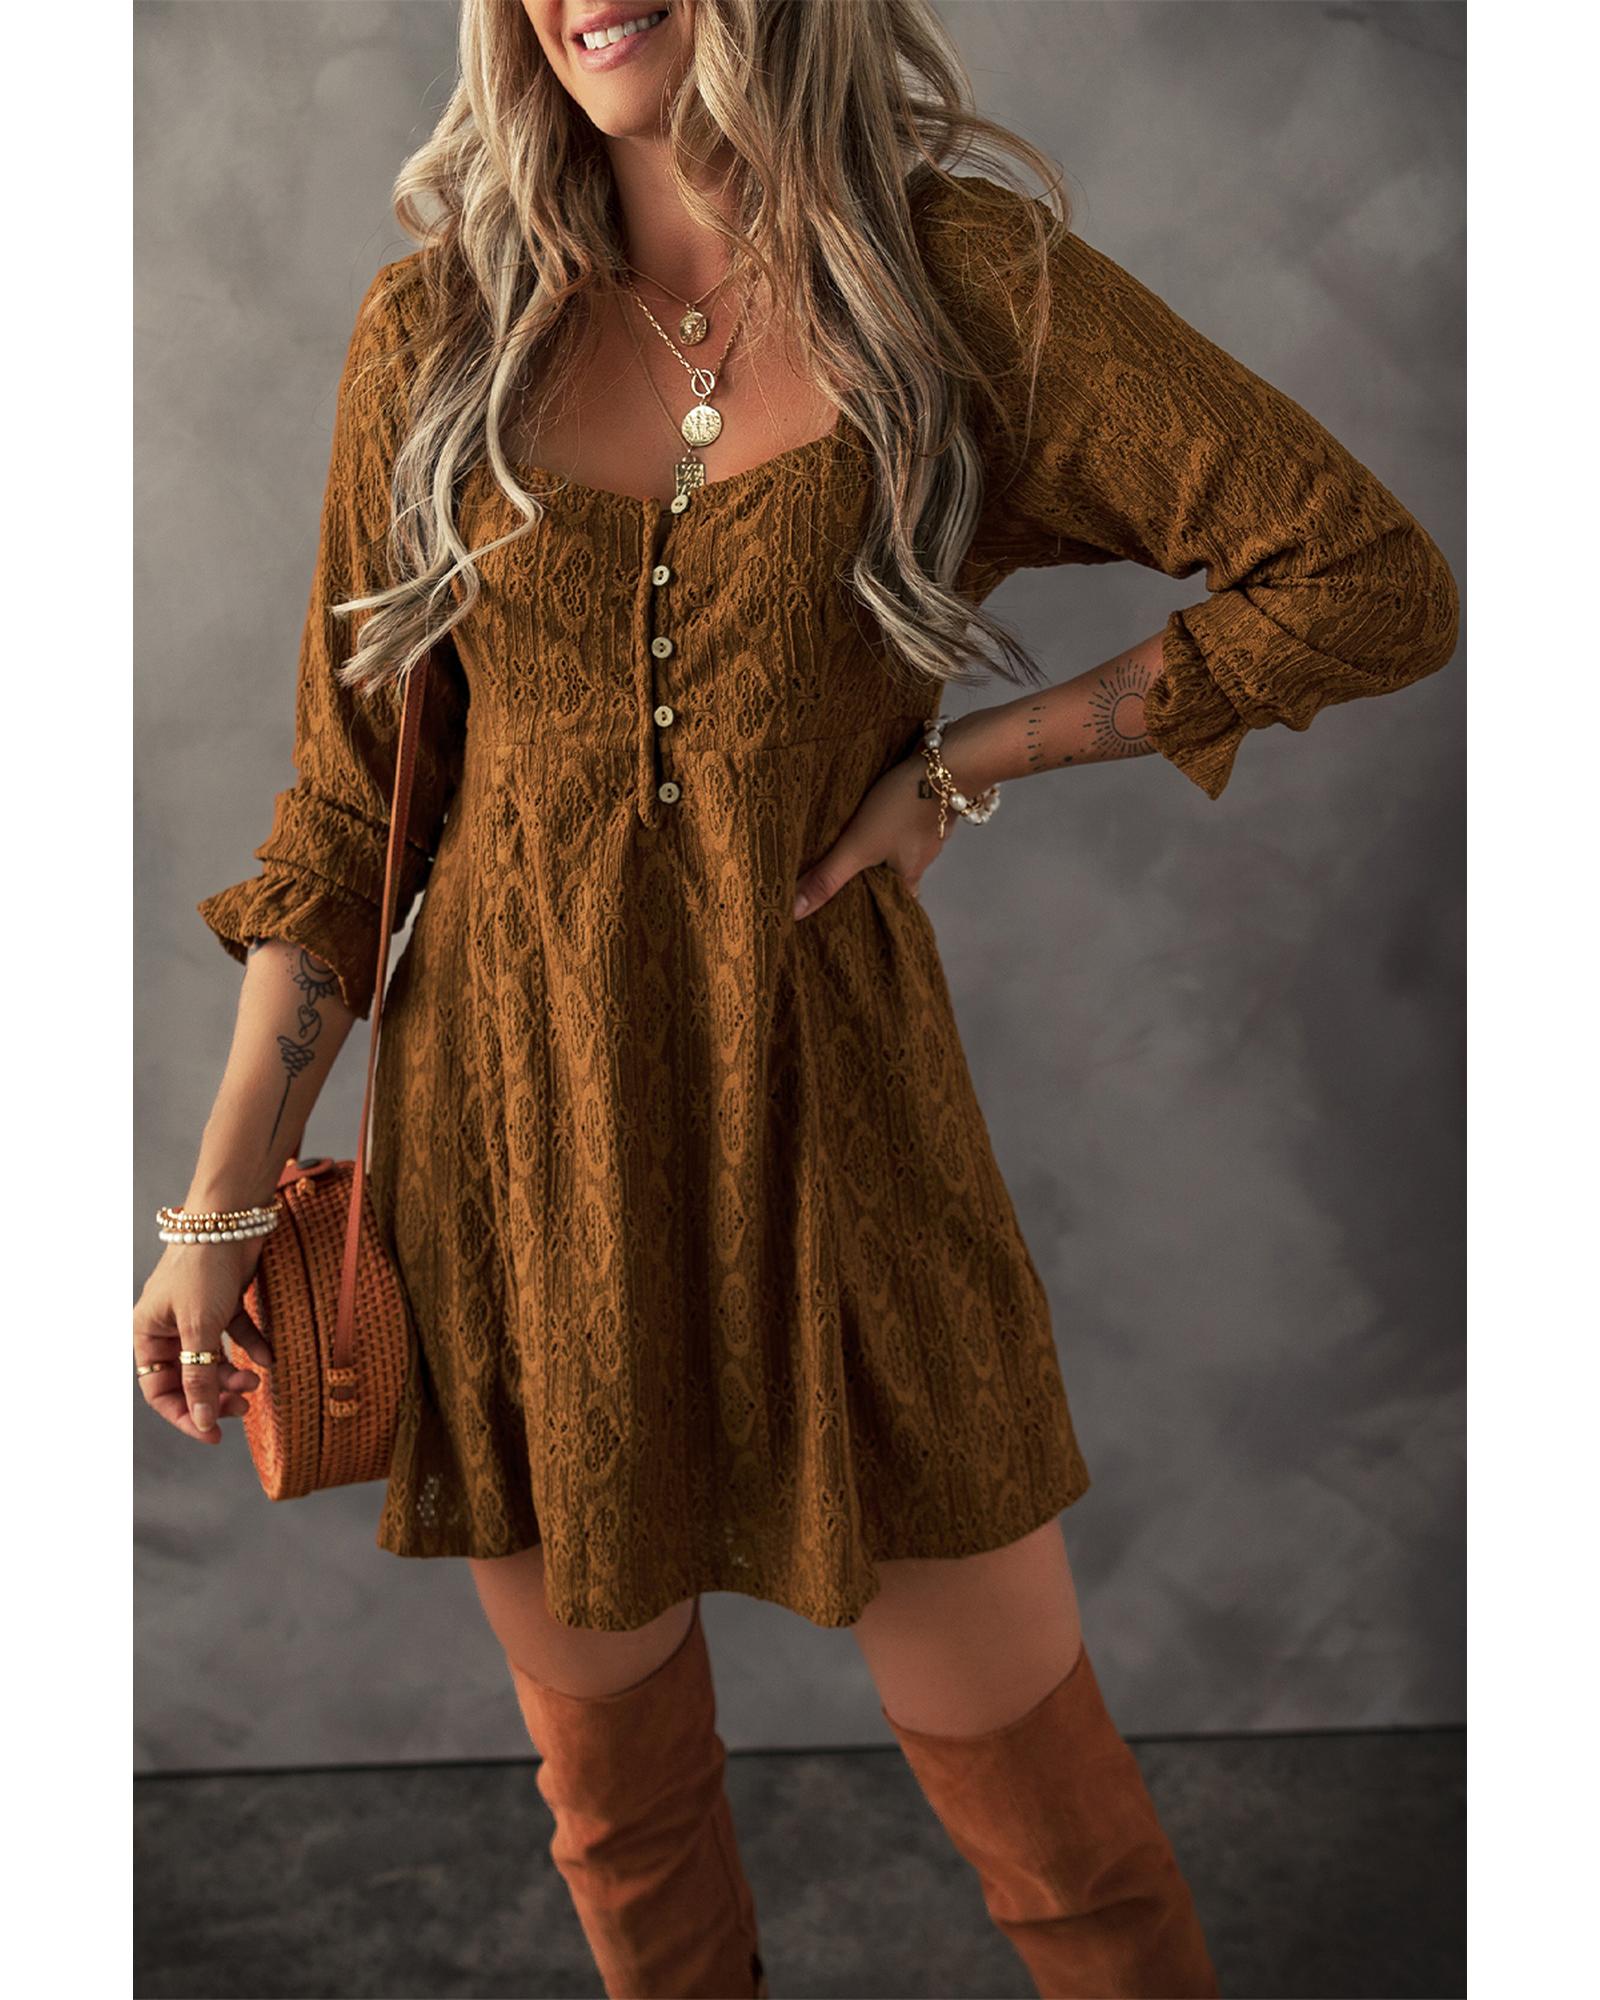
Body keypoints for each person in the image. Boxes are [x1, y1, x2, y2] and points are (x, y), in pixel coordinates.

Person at [132, 3, 1460, 1995]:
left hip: (841, 1149)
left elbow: (1360, 576)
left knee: (1070, 1863)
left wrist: (968, 760)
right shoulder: (442, 332)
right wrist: (223, 1200)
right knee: (623, 1827)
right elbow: (346, 812)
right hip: (520, 1156)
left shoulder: (957, 289)